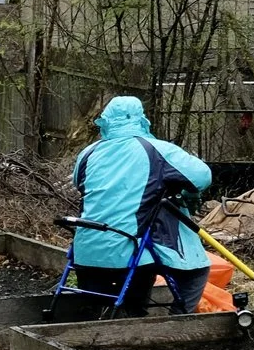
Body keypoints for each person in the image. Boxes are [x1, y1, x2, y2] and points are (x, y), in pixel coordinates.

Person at [62, 96, 214, 317]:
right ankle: (176, 322)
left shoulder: (88, 153)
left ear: (106, 120)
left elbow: (80, 183)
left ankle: (116, 316)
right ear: (142, 119)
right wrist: (187, 193)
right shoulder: (156, 150)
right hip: (128, 254)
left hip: (85, 254)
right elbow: (202, 176)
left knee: (140, 262)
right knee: (196, 272)